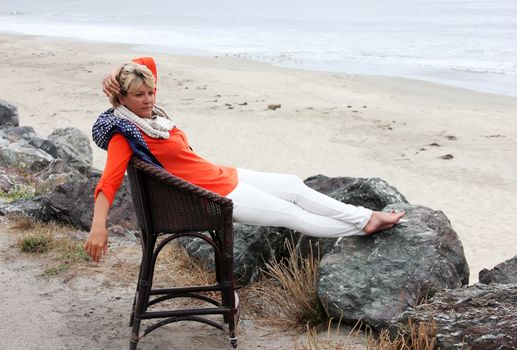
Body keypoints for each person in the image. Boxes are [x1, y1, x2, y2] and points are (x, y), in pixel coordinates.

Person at [84, 57, 404, 262]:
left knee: (293, 184)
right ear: (120, 98)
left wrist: (116, 72)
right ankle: (365, 226)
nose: (148, 99)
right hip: (215, 196)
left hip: (222, 175)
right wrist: (99, 227)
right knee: (290, 214)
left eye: (150, 93)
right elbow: (108, 182)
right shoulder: (124, 133)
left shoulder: (151, 117)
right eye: (138, 95)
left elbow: (147, 63)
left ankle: (365, 215)